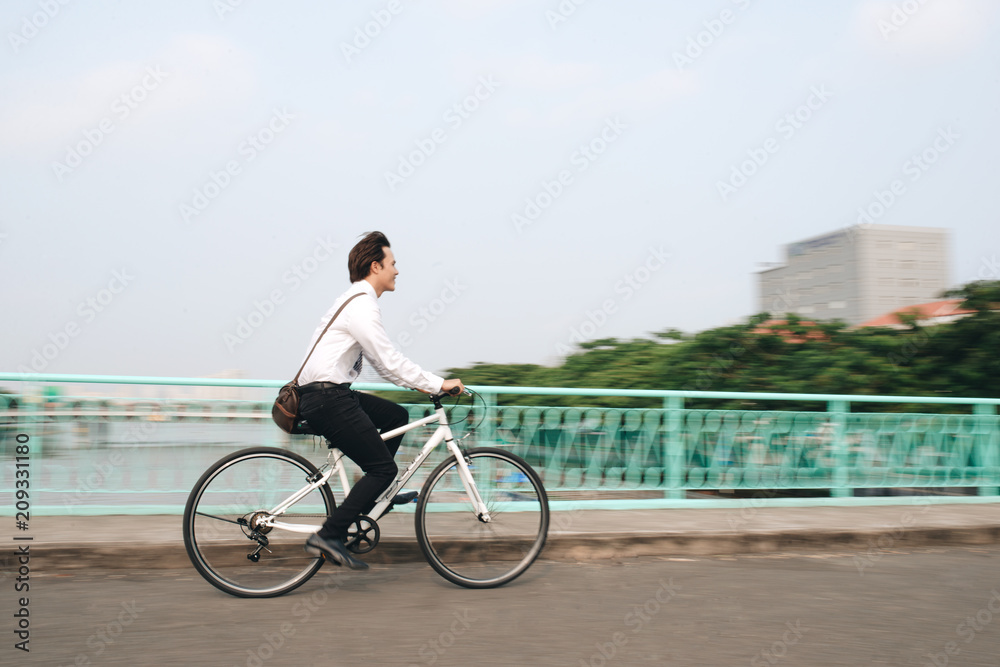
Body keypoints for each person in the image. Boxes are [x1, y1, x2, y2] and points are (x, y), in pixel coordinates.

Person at [297, 231, 464, 570]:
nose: (397, 271)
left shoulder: (356, 300)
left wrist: (421, 385)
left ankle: (377, 496)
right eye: (393, 264)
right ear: (376, 266)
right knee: (382, 468)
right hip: (326, 398)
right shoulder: (362, 306)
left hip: (330, 393)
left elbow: (382, 364)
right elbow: (387, 361)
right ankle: (328, 535)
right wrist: (437, 383)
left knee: (396, 416)